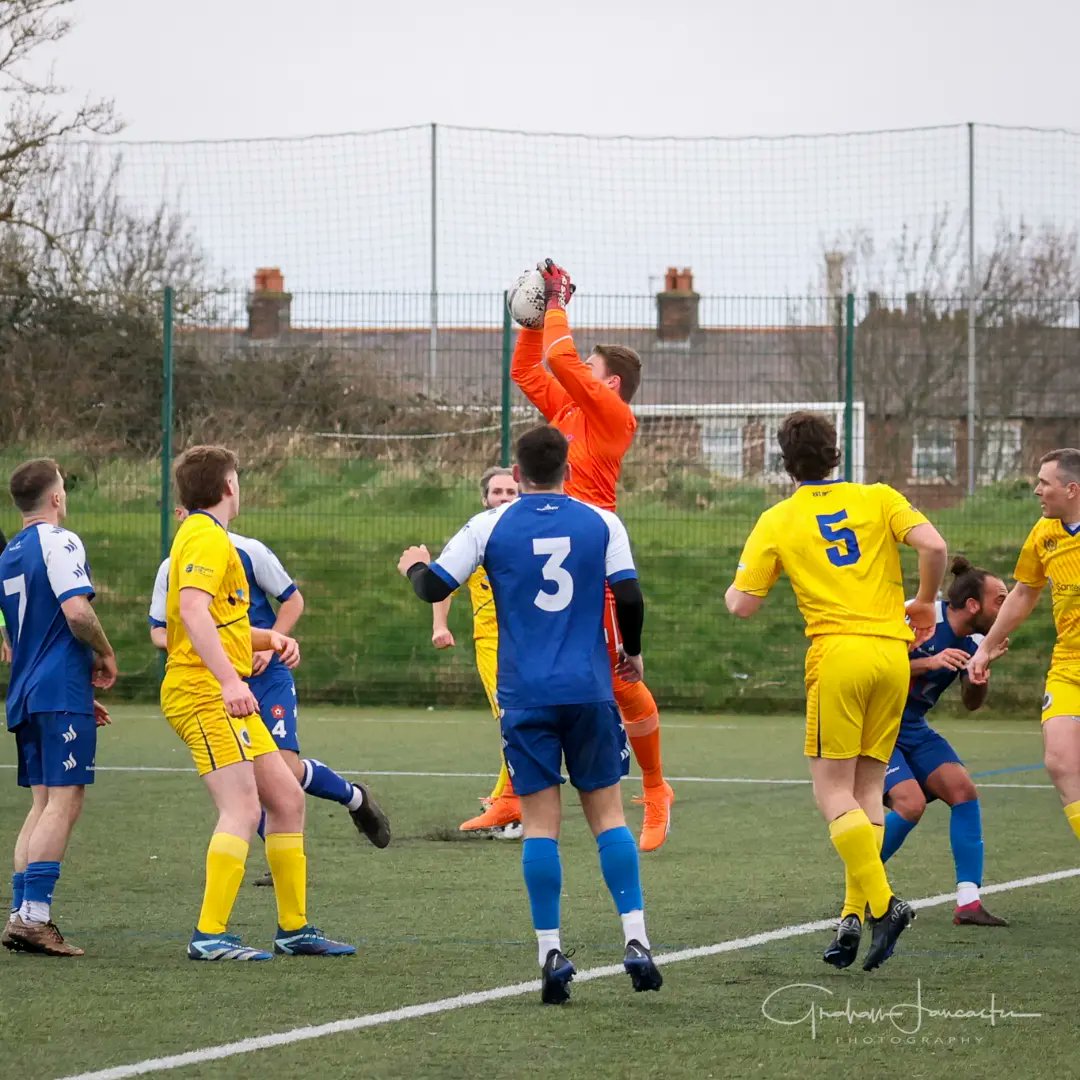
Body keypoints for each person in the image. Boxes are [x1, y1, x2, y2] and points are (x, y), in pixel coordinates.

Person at [398, 425, 662, 1004]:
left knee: (541, 825)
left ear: (515, 476)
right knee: (610, 820)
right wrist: (632, 652)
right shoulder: (601, 521)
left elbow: (435, 585)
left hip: (525, 695)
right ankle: (636, 939)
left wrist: (414, 565)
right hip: (589, 690)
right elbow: (632, 595)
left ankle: (550, 953)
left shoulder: (489, 523)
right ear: (568, 468)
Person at [724, 411, 948, 971]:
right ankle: (853, 914)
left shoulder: (778, 518)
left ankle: (884, 903)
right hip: (893, 656)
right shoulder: (877, 497)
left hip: (839, 655)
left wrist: (742, 579)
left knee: (831, 792)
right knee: (868, 790)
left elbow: (742, 604)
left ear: (784, 464)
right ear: (837, 454)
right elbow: (935, 546)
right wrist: (924, 601)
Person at [161, 445, 353, 961]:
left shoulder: (213, 538)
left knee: (286, 798)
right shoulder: (203, 535)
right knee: (242, 807)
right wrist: (230, 680)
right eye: (238, 479)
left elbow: (220, 623)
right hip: (200, 692)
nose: (239, 487)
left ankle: (294, 929)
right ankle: (209, 935)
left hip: (216, 687)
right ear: (228, 487)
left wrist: (269, 641)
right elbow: (192, 613)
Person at [511, 260, 672, 852]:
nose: (581, 373)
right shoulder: (571, 412)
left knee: (620, 675)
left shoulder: (612, 415)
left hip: (594, 558)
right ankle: (515, 786)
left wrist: (557, 300)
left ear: (609, 385)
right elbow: (529, 365)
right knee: (540, 665)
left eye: (591, 370)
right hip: (552, 552)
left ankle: (656, 788)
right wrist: (533, 318)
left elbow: (559, 359)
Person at [150, 509, 390, 873]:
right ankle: (278, 865)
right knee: (250, 781)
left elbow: (293, 600)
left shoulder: (248, 551)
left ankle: (354, 798)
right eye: (184, 514)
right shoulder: (172, 567)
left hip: (265, 673)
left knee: (285, 772)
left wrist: (266, 645)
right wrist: (205, 650)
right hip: (214, 680)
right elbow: (159, 630)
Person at [0, 459, 117, 957]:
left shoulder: (9, 553)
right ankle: (36, 918)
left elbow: (12, 636)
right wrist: (105, 652)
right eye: (64, 488)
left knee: (43, 803)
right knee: (63, 803)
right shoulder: (60, 540)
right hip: (57, 690)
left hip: (27, 690)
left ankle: (20, 914)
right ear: (54, 498)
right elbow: (75, 611)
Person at [873, 557, 1011, 936]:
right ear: (972, 605)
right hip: (878, 725)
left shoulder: (979, 640)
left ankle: (969, 902)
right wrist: (930, 662)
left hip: (914, 727)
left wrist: (978, 674)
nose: (1007, 607)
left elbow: (971, 703)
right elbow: (875, 664)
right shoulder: (917, 617)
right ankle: (865, 888)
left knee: (963, 791)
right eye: (1000, 599)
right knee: (910, 803)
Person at [969, 448, 1080, 849]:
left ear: (1071, 489)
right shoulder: (1044, 534)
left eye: (1044, 483)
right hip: (1069, 663)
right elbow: (1022, 594)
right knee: (1060, 761)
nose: (1036, 490)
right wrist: (984, 649)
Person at [430, 466, 523, 836]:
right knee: (510, 717)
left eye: (511, 492)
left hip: (531, 643)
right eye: (497, 492)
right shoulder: (476, 537)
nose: (503, 498)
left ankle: (510, 803)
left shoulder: (530, 536)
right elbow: (441, 583)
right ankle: (509, 803)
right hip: (493, 646)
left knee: (520, 719)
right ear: (485, 498)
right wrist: (440, 625)